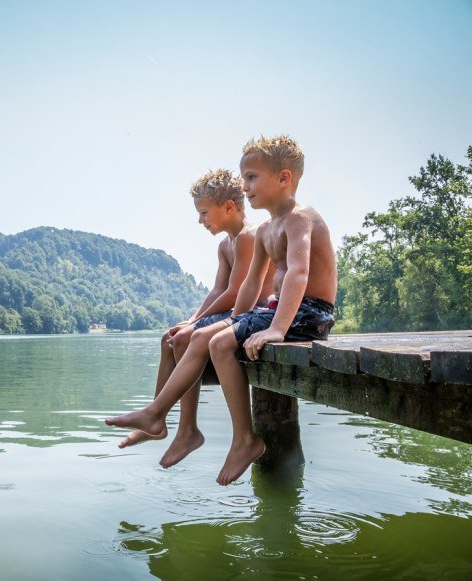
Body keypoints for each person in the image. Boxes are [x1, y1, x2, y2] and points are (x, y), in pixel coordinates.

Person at [108, 168, 274, 468]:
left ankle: (182, 429)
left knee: (187, 336)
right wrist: (192, 319)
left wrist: (195, 325)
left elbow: (236, 293)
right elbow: (217, 291)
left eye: (204, 213)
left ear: (228, 207)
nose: (201, 221)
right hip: (231, 312)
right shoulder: (226, 245)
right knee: (171, 337)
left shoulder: (250, 237)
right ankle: (160, 423)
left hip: (251, 314)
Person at [208, 135, 338, 485]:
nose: (244, 186)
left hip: (309, 312)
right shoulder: (266, 228)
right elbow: (251, 284)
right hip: (282, 309)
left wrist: (277, 329)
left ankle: (244, 440)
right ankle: (244, 439)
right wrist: (238, 319)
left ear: (283, 178)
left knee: (219, 345)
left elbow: (299, 272)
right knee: (220, 338)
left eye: (251, 177)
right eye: (243, 177)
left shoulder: (300, 218)